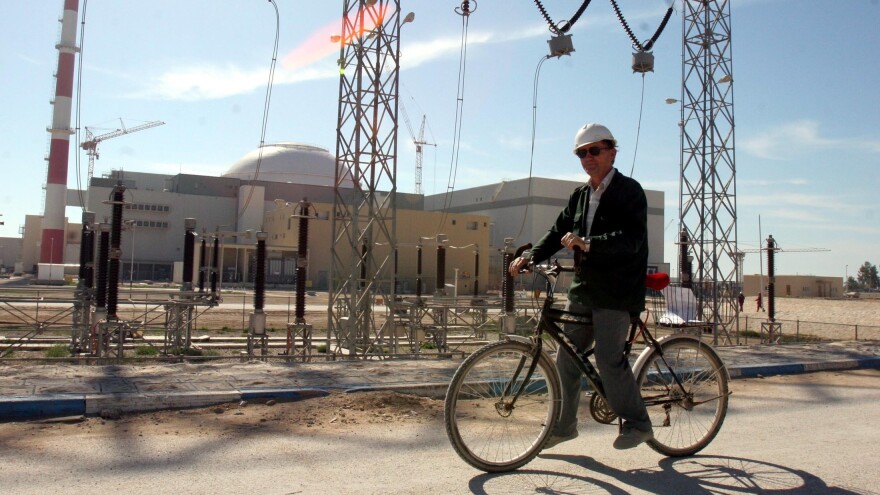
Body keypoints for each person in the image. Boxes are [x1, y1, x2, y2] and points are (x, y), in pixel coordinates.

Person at [508, 123, 653, 451]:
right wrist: (529, 257)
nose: (588, 157)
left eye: (594, 150)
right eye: (581, 152)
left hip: (616, 290)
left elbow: (632, 239)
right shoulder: (580, 196)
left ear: (612, 152)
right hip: (585, 288)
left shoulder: (630, 191)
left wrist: (589, 244)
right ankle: (564, 426)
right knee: (566, 357)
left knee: (608, 357)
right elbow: (556, 230)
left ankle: (638, 423)